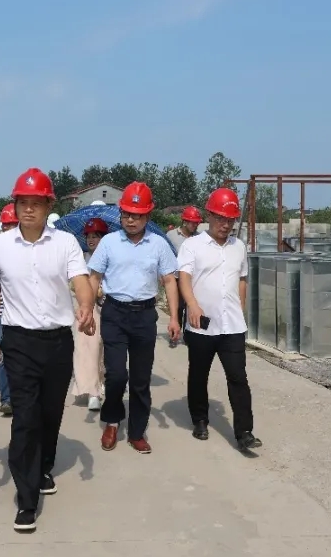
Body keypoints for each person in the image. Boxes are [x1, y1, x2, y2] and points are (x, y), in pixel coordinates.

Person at [0, 169, 95, 532]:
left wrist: (86, 305)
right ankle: (27, 497)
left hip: (58, 341)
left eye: (37, 203)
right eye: (23, 203)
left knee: (50, 413)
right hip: (18, 341)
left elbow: (80, 280)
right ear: (15, 205)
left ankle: (44, 465)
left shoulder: (65, 243)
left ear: (49, 206)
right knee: (25, 418)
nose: (29, 209)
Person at [88, 181, 181, 455]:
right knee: (116, 374)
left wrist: (174, 318)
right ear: (121, 214)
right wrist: (87, 309)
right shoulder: (108, 242)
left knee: (141, 379)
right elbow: (94, 277)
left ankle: (137, 432)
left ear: (147, 216)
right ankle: (112, 421)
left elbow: (170, 281)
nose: (131, 220)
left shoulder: (159, 245)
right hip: (114, 314)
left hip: (144, 316)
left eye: (137, 215)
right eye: (127, 214)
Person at [178, 188, 261, 451]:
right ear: (210, 216)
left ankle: (244, 431)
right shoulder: (192, 246)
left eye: (230, 220)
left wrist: (240, 308)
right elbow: (184, 278)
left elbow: (242, 280)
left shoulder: (239, 247)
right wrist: (192, 305)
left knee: (238, 377)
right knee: (198, 374)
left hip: (232, 325)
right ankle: (200, 419)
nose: (226, 225)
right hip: (202, 324)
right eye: (221, 218)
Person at [71, 217, 108, 411]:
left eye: (96, 236)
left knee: (104, 350)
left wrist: (103, 290)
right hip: (87, 309)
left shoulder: (111, 256)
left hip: (108, 307)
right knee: (86, 349)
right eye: (89, 236)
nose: (91, 240)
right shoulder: (81, 258)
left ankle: (101, 383)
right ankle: (91, 391)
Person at [0, 203, 19, 417]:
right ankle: (7, 399)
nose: (9, 229)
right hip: (2, 315)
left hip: (24, 316)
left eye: (13, 225)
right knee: (4, 358)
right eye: (6, 225)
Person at [166, 206, 202, 348]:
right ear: (184, 221)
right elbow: (165, 256)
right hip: (175, 278)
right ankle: (174, 334)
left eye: (196, 223)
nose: (194, 225)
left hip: (192, 278)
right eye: (192, 222)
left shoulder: (199, 238)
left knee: (190, 307)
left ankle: (188, 336)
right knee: (177, 307)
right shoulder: (171, 235)